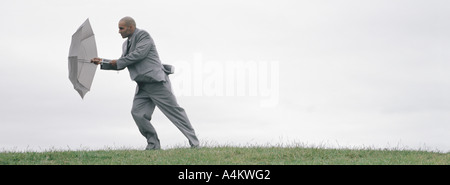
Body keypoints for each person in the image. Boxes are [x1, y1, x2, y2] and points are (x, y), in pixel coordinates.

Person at [91, 16, 199, 150]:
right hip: (142, 86)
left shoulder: (143, 35)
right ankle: (153, 145)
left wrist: (116, 61)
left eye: (121, 28)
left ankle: (195, 143)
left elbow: (138, 55)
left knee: (175, 112)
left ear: (131, 27)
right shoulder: (125, 44)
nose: (119, 31)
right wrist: (102, 61)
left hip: (157, 83)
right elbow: (121, 64)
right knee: (138, 113)